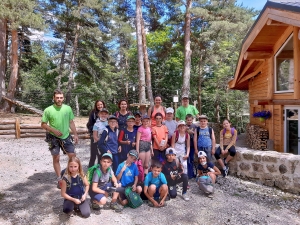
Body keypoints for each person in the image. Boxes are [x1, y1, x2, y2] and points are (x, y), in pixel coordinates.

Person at [41, 89, 78, 188]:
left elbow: (71, 122)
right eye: (57, 97)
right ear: (53, 98)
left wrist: (75, 134)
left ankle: (68, 175)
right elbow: (43, 124)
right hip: (53, 137)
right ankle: (59, 179)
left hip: (66, 136)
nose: (59, 99)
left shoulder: (68, 108)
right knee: (56, 157)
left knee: (72, 156)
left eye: (61, 97)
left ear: (63, 98)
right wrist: (52, 129)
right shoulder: (48, 110)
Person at [86, 100, 106, 167]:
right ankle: (90, 171)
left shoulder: (106, 113)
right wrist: (96, 129)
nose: (100, 106)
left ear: (103, 105)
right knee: (93, 154)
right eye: (98, 105)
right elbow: (89, 125)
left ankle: (99, 171)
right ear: (96, 106)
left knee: (101, 155)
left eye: (101, 104)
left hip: (104, 138)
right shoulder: (93, 113)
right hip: (94, 136)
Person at [186, 114, 197, 179]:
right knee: (187, 159)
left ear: (192, 120)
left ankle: (191, 173)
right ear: (186, 120)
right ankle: (188, 173)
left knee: (191, 159)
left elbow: (195, 135)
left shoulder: (194, 126)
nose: (189, 121)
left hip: (192, 145)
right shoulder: (184, 126)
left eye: (190, 120)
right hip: (186, 145)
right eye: (188, 120)